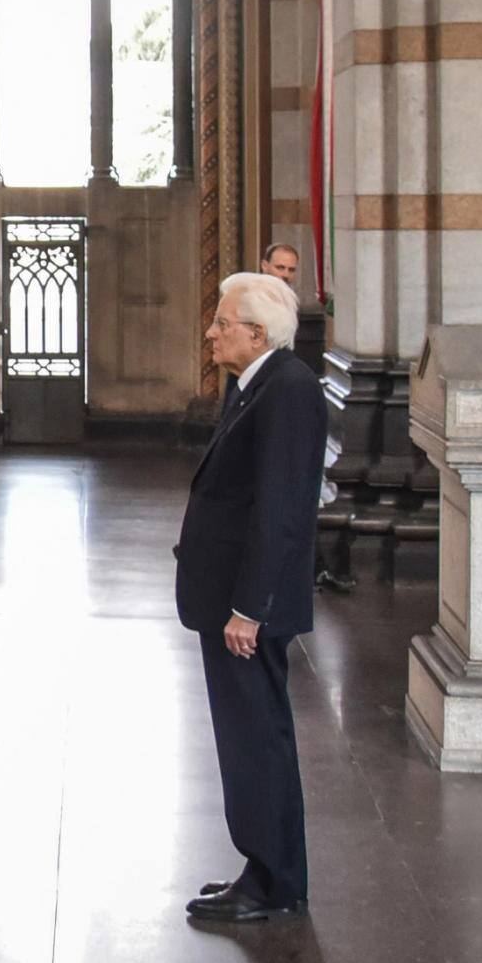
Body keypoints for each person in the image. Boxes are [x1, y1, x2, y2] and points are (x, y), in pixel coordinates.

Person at [174, 271, 325, 924]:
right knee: (248, 737)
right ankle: (265, 869)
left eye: (222, 323)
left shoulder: (288, 392)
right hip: (230, 597)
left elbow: (283, 508)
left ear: (256, 333)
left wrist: (251, 608)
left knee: (256, 739)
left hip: (246, 608)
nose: (212, 332)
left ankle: (272, 882)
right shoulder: (255, 384)